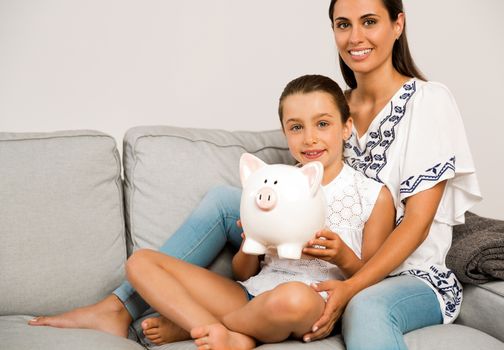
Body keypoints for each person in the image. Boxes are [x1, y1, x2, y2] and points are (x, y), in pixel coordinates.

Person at [30, 0, 482, 348]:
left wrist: (349, 286)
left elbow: (419, 223)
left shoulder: (428, 100)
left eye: (370, 21)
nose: (355, 36)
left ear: (397, 25)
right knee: (225, 200)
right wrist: (256, 237)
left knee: (364, 309)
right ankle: (120, 305)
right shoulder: (337, 106)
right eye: (343, 24)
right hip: (292, 275)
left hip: (406, 275)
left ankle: (221, 327)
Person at [124, 74, 395, 349]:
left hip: (311, 301)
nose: (310, 138)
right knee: (140, 262)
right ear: (285, 132)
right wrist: (248, 243)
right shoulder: (271, 184)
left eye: (323, 124)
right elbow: (244, 274)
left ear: (347, 127)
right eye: (296, 127)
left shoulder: (372, 196)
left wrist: (343, 257)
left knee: (293, 298)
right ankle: (221, 330)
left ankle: (197, 327)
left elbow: (370, 279)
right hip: (252, 293)